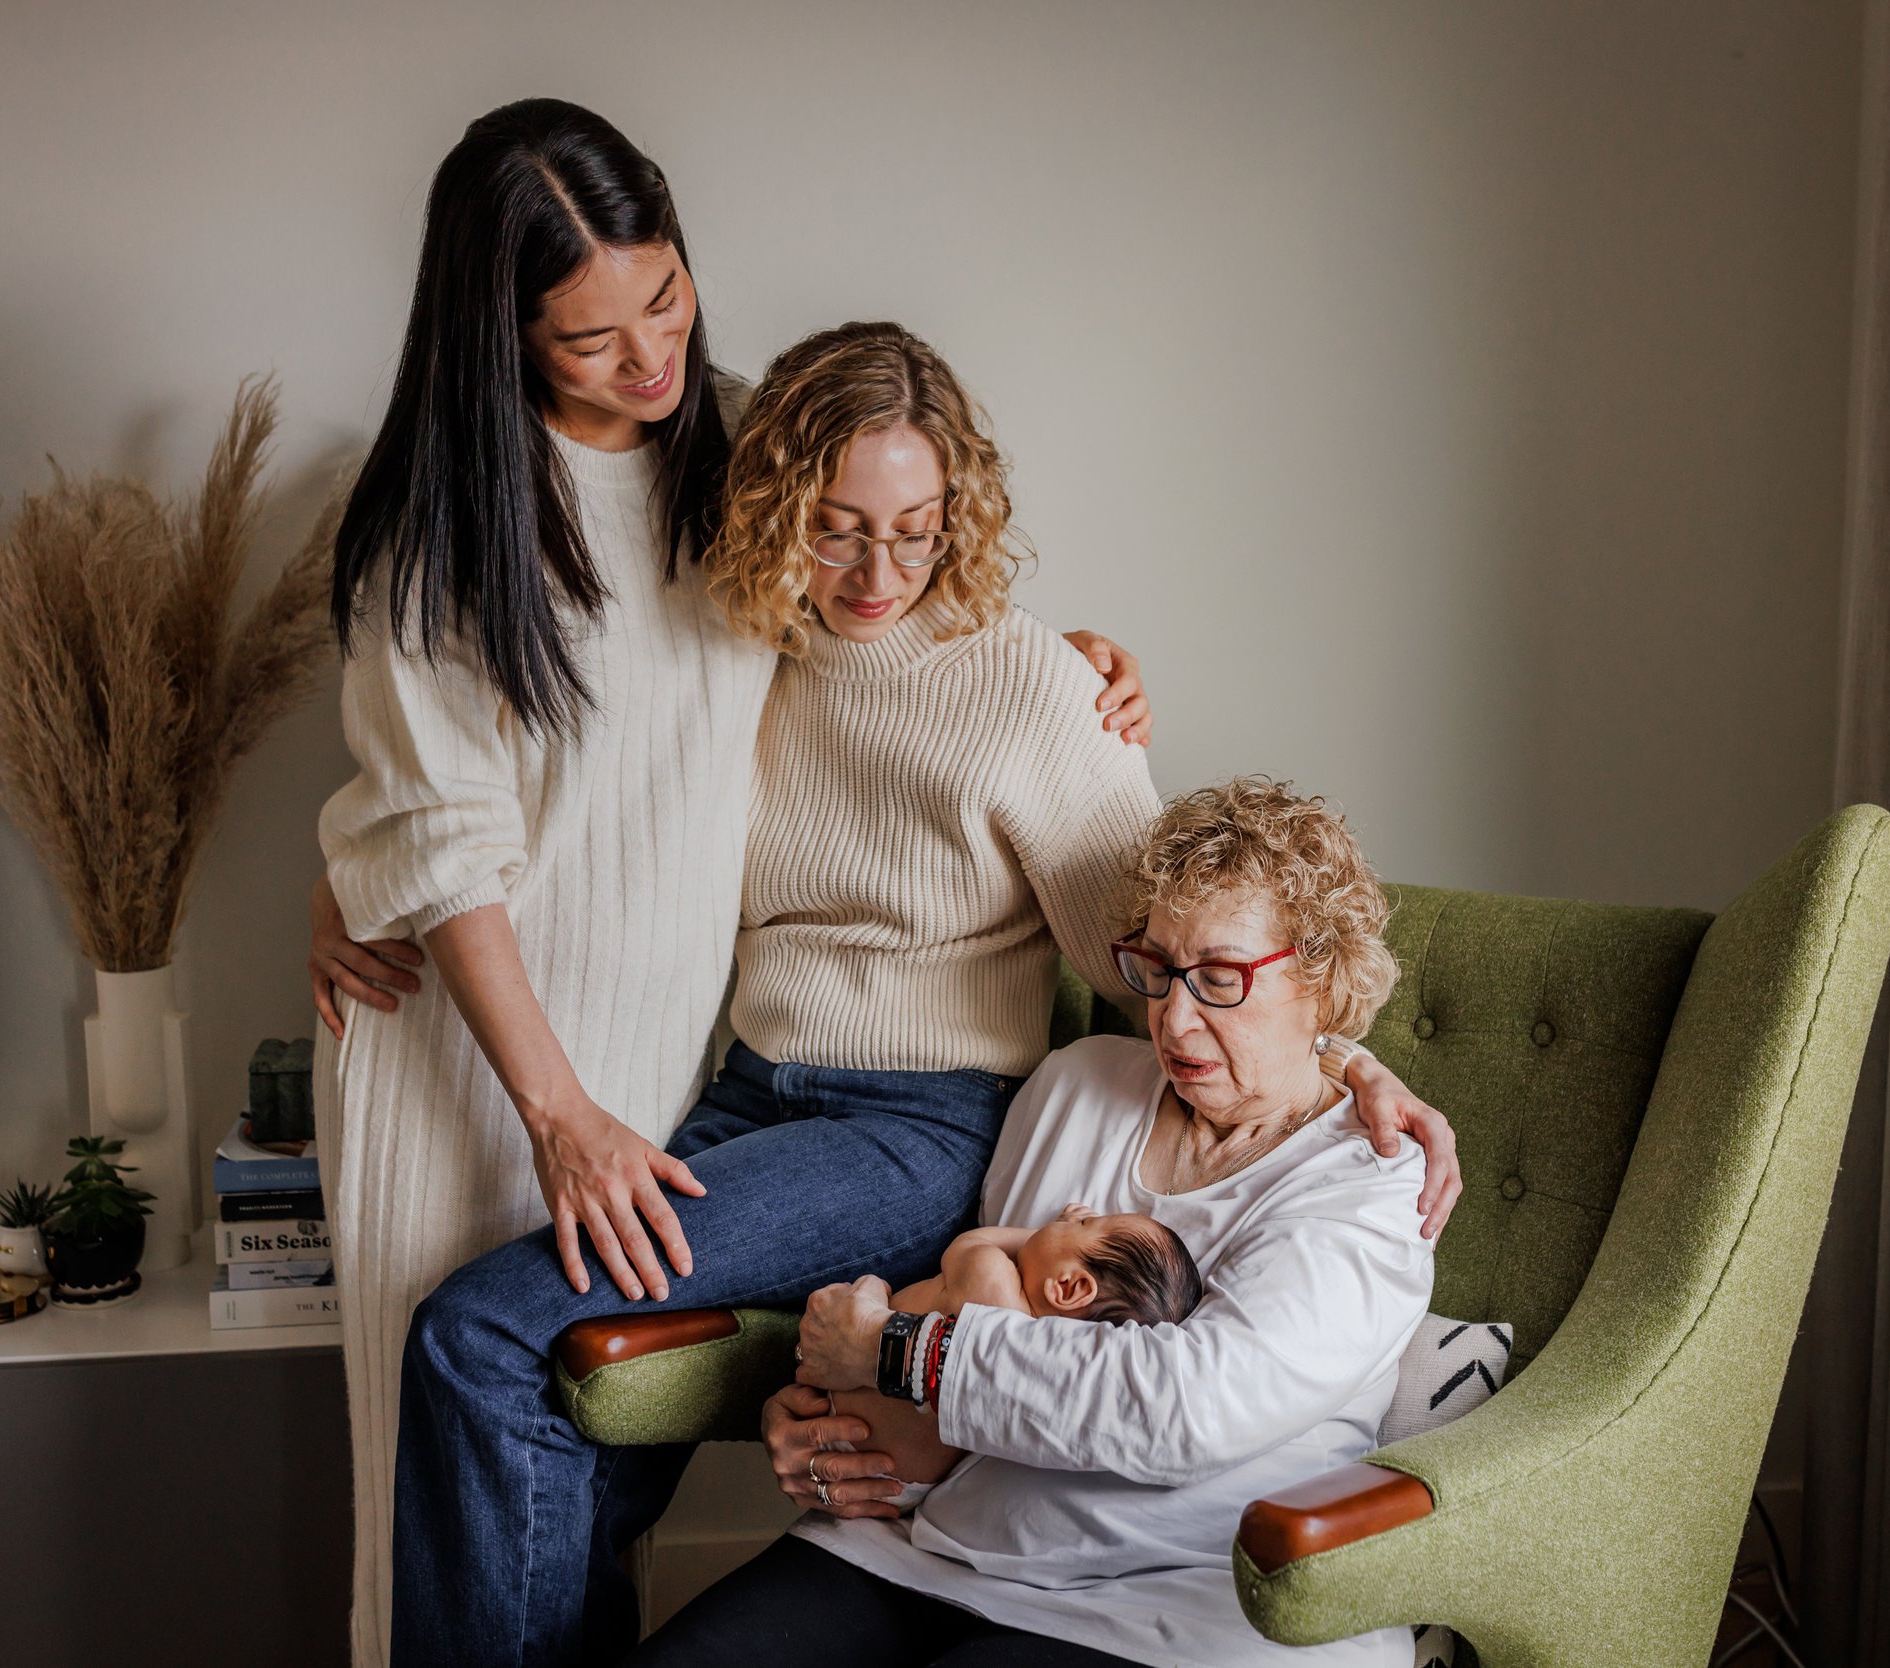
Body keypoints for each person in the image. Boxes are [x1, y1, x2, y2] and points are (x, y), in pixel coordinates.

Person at [368, 323, 1462, 1665]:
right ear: (772, 507)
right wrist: (345, 876)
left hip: (917, 1131)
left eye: (918, 529)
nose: (877, 573)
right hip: (748, 1097)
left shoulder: (1032, 692)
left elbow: (1190, 953)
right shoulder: (740, 654)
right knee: (571, 1414)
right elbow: (499, 770)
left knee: (477, 1333)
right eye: (834, 529)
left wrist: (1351, 1065)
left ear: (961, 516)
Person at [305, 103, 1154, 1668]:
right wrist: (361, 866)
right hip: (553, 1063)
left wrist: (1078, 667)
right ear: (497, 334)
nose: (649, 364)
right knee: (543, 1415)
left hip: (835, 1099)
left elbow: (906, 548)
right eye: (588, 340)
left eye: (667, 301)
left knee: (499, 1353)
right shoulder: (453, 533)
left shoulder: (744, 442)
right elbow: (434, 811)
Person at [653, 778, 1436, 1668]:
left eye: (1220, 979)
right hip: (925, 1550)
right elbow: (962, 1314)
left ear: (1322, 982)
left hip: (1186, 1600)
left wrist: (891, 1352)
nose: (1173, 1019)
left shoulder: (1376, 1179)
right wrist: (838, 1440)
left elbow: (1186, 1409)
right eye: (1158, 968)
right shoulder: (1077, 1086)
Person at [826, 1205, 1206, 1509]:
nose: (1073, 1216)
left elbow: (968, 1244)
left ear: (1068, 1286)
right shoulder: (1037, 1363)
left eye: (1086, 1223)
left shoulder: (991, 1278)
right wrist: (1064, 1244)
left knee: (867, 1290)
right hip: (904, 1484)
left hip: (842, 1411)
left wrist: (1039, 1236)